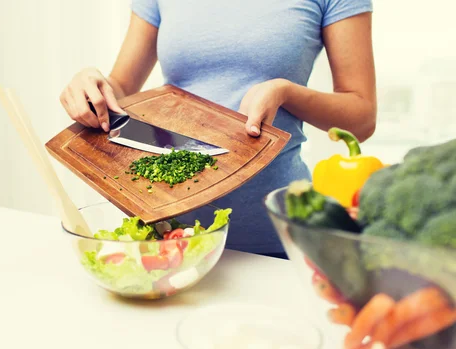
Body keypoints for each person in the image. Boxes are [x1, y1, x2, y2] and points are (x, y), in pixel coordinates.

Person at [60, 0, 377, 258]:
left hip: (277, 241)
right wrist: (92, 85)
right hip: (167, 239)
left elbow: (361, 118)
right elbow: (122, 88)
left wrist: (288, 92)